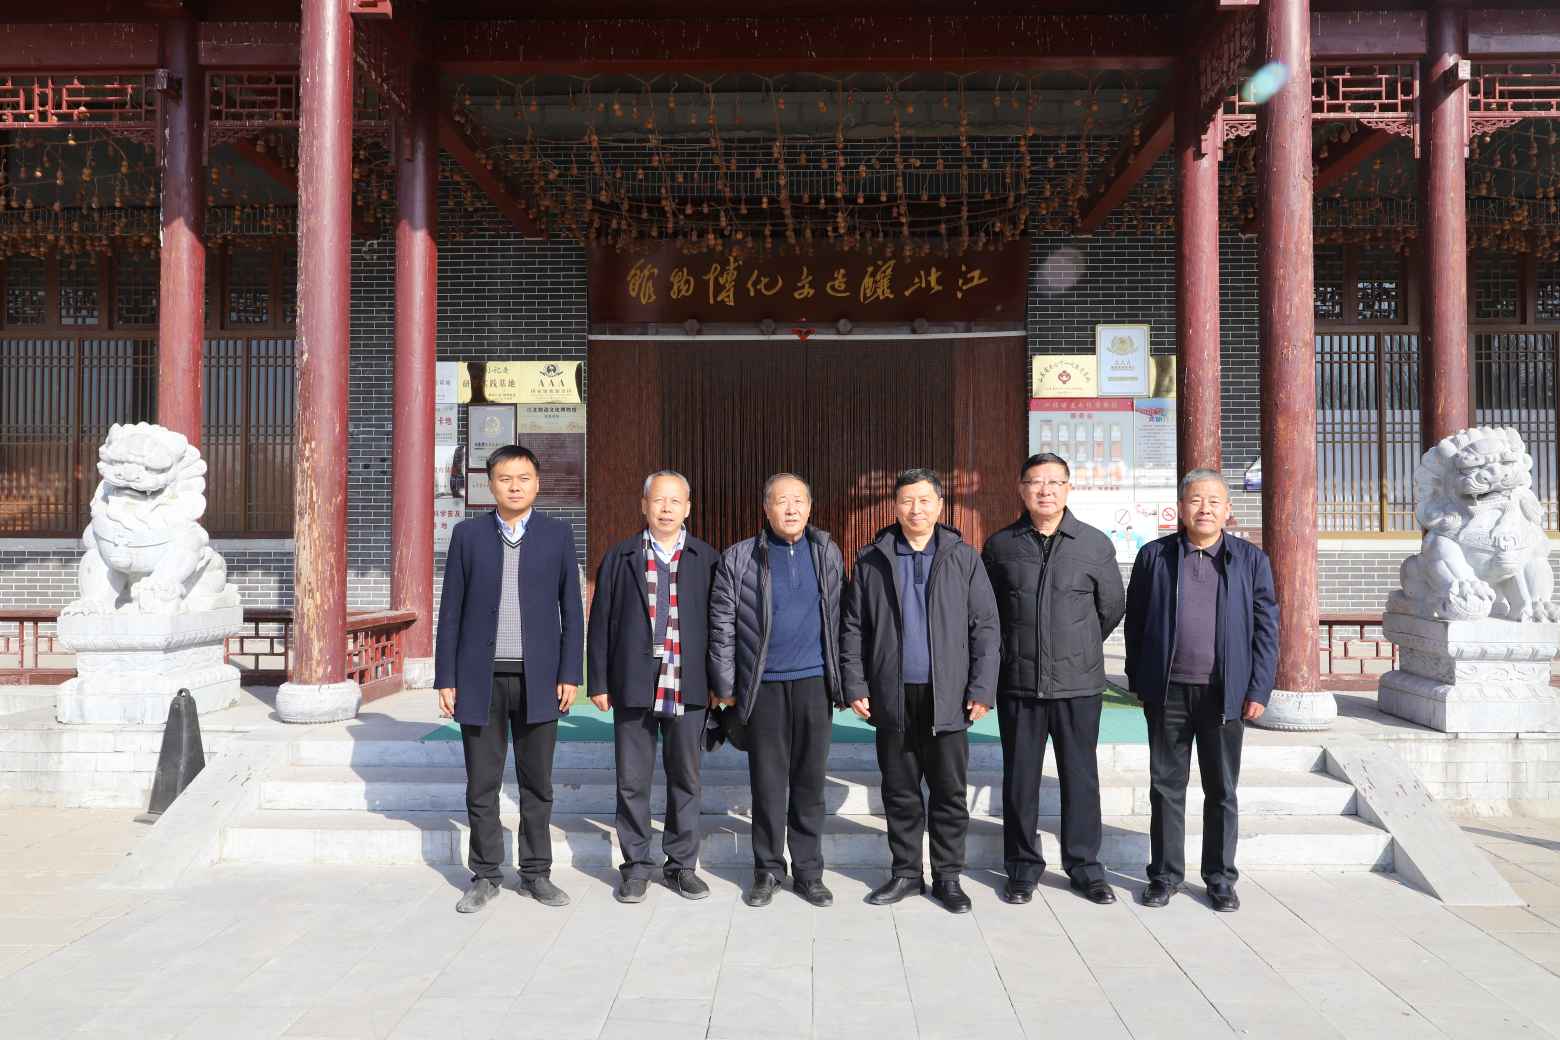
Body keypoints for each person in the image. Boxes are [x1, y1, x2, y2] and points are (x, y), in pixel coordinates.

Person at [840, 467, 1000, 914]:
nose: (916, 509)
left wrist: (982, 686)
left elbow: (986, 627)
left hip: (948, 695)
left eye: (925, 500)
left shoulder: (962, 558)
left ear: (940, 506)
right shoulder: (872, 559)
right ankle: (907, 873)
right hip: (891, 694)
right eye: (907, 501)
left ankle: (948, 877)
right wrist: (855, 682)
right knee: (900, 791)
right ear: (894, 506)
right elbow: (853, 628)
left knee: (949, 792)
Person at [434, 445, 583, 914]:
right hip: (480, 678)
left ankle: (537, 873)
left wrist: (570, 672)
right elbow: (451, 609)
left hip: (540, 678)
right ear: (490, 484)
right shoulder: (468, 535)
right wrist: (446, 677)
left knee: (537, 783)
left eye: (523, 478)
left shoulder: (558, 535)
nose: (514, 486)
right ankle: (485, 874)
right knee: (482, 783)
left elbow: (572, 609)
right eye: (504, 478)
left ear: (537, 484)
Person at [1125, 468, 1278, 913]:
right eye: (1195, 500)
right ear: (1181, 508)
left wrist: (1258, 688)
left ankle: (1220, 878)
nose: (1204, 508)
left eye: (1213, 501)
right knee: (1165, 787)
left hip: (1223, 695)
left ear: (1228, 510)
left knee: (1221, 789)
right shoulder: (1155, 556)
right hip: (1168, 692)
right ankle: (1164, 876)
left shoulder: (1250, 560)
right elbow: (1136, 621)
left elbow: (1266, 629)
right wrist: (1139, 678)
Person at [982, 452, 1126, 906]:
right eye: (1035, 482)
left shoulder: (1093, 544)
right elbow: (988, 614)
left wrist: (1077, 646)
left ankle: (1084, 868)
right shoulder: (1001, 546)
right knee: (1020, 780)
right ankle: (1022, 868)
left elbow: (1111, 607)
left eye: (1054, 482)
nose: (1044, 490)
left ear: (1068, 488)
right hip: (1019, 683)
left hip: (1078, 685)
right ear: (1021, 489)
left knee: (1080, 778)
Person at [709, 473, 845, 909]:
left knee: (810, 783)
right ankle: (767, 869)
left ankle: (809, 872)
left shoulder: (827, 552)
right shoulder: (740, 558)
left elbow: (841, 618)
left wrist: (845, 681)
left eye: (798, 500)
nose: (791, 509)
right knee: (768, 784)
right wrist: (725, 686)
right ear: (766, 508)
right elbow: (722, 626)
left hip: (814, 683)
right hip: (763, 686)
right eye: (781, 501)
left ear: (810, 507)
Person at [588, 470, 719, 903]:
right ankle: (637, 867)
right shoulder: (621, 556)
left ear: (688, 508)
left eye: (675, 501)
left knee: (686, 778)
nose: (666, 509)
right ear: (644, 505)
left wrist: (720, 682)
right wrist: (599, 680)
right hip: (633, 679)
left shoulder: (706, 558)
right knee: (632, 780)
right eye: (658, 500)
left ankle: (681, 866)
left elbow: (721, 626)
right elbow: (601, 622)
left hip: (689, 680)